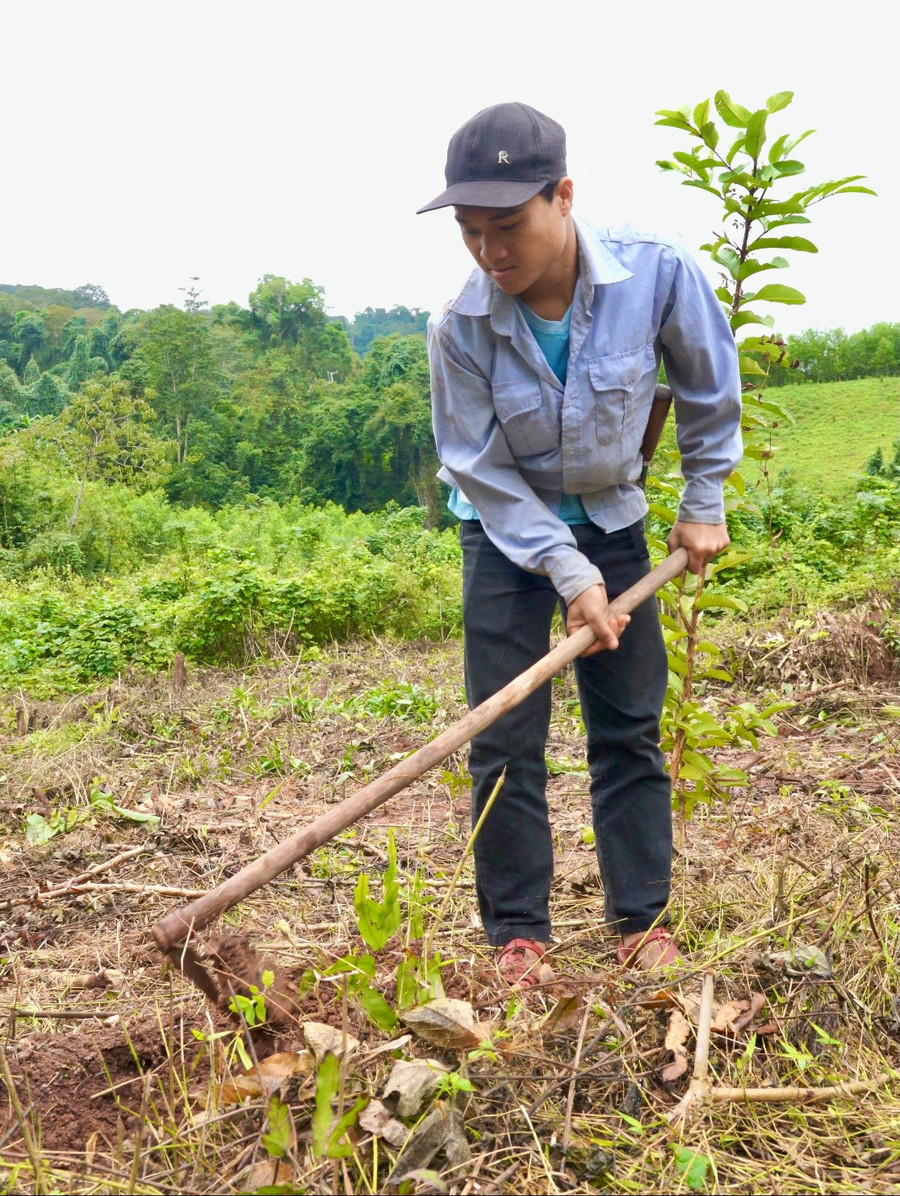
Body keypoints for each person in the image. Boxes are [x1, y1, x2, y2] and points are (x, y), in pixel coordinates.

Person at [417, 102, 741, 986]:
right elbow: (479, 471)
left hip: (617, 524)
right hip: (503, 540)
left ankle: (642, 921)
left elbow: (708, 392)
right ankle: (518, 935)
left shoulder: (656, 272)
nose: (491, 253)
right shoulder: (461, 326)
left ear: (563, 196)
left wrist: (702, 501)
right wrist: (566, 573)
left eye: (508, 226)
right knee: (504, 736)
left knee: (629, 729)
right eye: (471, 232)